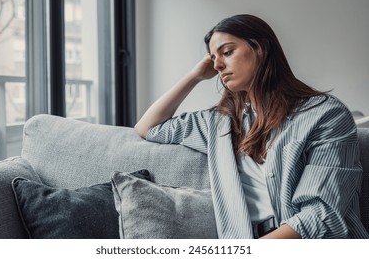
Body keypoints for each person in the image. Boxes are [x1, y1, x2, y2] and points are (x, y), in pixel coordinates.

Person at [134, 14, 369, 239]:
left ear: (261, 48)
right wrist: (195, 75)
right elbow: (148, 127)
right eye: (213, 59)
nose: (217, 66)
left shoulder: (326, 115)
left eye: (227, 52)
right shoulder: (220, 124)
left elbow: (320, 214)